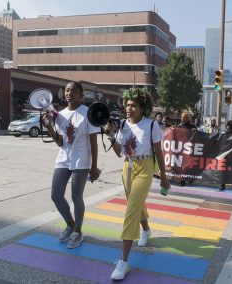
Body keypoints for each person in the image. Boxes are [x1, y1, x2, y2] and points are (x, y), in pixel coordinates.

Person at [107, 88, 170, 281]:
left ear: (142, 108)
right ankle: (146, 229)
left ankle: (124, 261)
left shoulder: (151, 125)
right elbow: (119, 152)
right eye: (127, 104)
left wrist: (164, 176)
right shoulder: (123, 125)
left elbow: (159, 153)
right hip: (127, 167)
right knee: (135, 203)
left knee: (131, 210)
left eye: (133, 105)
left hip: (145, 168)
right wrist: (111, 136)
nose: (128, 108)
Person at [42, 81, 101, 249]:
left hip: (81, 160)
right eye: (67, 90)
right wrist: (49, 127)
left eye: (73, 91)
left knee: (76, 197)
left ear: (81, 95)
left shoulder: (88, 113)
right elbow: (60, 142)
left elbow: (93, 142)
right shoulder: (59, 115)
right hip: (63, 158)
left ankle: (78, 231)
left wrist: (94, 166)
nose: (69, 93)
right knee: (56, 195)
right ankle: (70, 224)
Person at [219, 120, 232, 191]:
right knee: (223, 170)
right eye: (227, 126)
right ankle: (222, 184)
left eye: (229, 127)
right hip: (224, 154)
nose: (228, 128)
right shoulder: (224, 134)